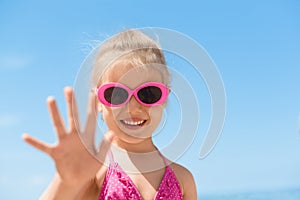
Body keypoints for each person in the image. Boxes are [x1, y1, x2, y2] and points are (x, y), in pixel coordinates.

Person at [23, 29, 197, 200]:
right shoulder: (95, 173)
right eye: (116, 94)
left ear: (164, 98)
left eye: (148, 93)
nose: (133, 108)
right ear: (98, 101)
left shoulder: (183, 180)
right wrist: (65, 184)